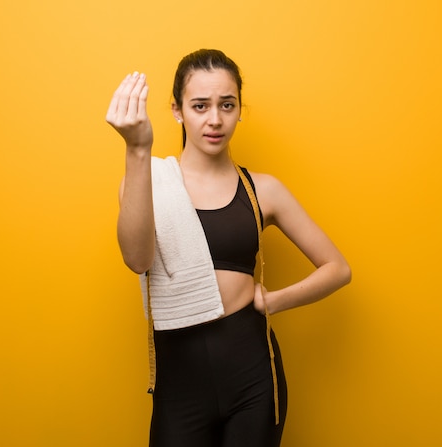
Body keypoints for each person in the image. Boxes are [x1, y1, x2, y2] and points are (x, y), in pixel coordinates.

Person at [106, 49, 351, 447]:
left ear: (239, 110)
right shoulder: (147, 181)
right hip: (179, 381)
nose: (215, 119)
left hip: (253, 374)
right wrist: (137, 150)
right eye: (200, 106)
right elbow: (136, 259)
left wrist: (272, 300)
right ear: (177, 110)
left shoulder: (263, 190)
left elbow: (337, 268)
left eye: (227, 105)